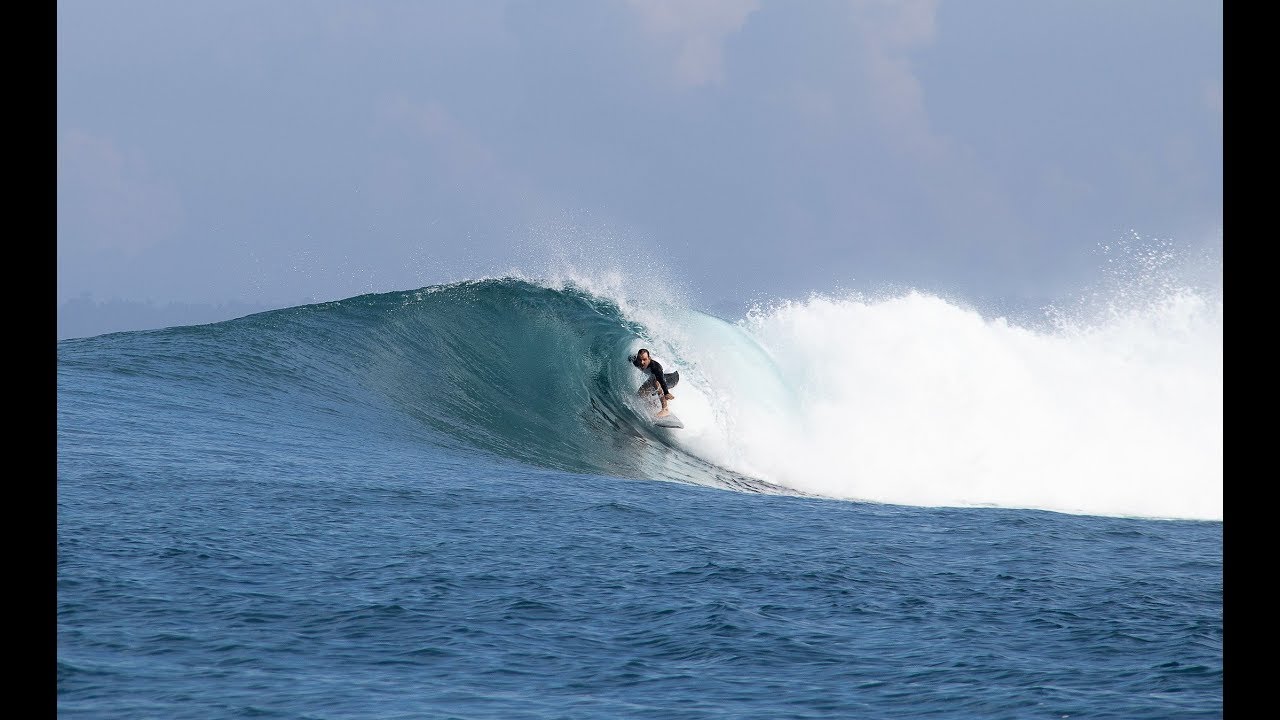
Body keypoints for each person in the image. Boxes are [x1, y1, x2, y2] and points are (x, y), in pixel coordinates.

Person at [631, 348, 678, 417]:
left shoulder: (655, 367)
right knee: (640, 393)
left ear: (649, 358)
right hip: (660, 377)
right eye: (640, 359)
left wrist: (666, 393)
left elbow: (661, 380)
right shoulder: (635, 361)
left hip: (672, 377)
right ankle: (653, 405)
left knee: (655, 381)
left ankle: (665, 409)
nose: (642, 362)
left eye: (645, 359)